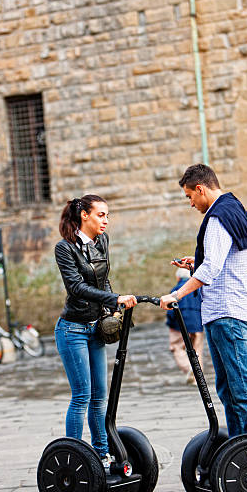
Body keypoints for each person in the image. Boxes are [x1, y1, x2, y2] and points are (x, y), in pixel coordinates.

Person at [159, 164, 247, 438]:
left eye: (189, 197)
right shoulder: (234, 208)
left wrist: (176, 294)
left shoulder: (218, 217)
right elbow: (238, 259)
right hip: (226, 310)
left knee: (241, 388)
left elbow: (212, 270)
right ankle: (239, 447)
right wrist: (197, 261)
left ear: (200, 188)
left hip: (225, 312)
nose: (191, 203)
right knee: (229, 388)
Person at [54, 195, 137, 470]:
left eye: (108, 215)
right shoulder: (64, 248)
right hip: (72, 330)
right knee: (82, 396)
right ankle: (71, 458)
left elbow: (103, 278)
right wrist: (113, 299)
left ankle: (101, 455)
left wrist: (114, 306)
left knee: (100, 396)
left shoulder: (103, 241)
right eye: (101, 215)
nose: (106, 220)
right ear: (84, 216)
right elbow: (76, 287)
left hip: (95, 330)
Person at [166, 267, 203, 385]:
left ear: (178, 277)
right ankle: (198, 377)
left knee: (176, 347)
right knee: (197, 349)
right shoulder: (199, 289)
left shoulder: (176, 289)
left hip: (180, 324)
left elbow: (171, 309)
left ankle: (189, 368)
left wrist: (170, 322)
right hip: (197, 324)